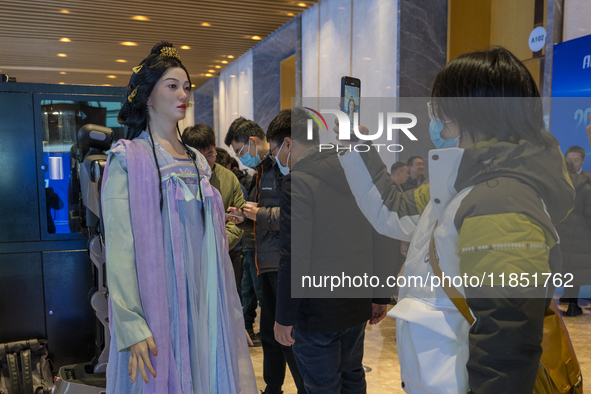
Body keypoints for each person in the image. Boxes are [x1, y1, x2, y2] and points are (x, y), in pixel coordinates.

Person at [336, 47, 575, 393]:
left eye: (439, 109)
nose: (436, 120)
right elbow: (394, 211)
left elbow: (507, 336)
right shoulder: (464, 183)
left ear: (472, 112)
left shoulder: (501, 198)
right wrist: (354, 144)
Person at [102, 42, 256, 393]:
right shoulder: (129, 159)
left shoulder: (197, 161)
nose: (183, 93)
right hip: (159, 303)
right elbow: (120, 249)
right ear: (147, 97)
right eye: (172, 85)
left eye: (186, 86)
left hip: (203, 298)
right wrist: (132, 324)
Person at [270, 108, 390, 393]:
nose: (276, 158)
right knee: (352, 377)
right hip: (356, 301)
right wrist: (381, 293)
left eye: (275, 149)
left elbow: (295, 254)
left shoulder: (297, 182)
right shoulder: (355, 170)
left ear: (288, 143)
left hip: (317, 311)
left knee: (322, 386)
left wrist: (284, 317)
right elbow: (382, 231)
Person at [225, 117, 307, 394]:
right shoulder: (261, 172)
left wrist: (257, 214)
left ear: (253, 141)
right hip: (265, 260)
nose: (241, 157)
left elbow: (293, 216)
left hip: (282, 261)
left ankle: (304, 387)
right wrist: (245, 217)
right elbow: (264, 213)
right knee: (272, 333)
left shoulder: (284, 168)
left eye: (240, 150)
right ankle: (273, 387)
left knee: (287, 334)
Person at [183, 123, 245, 250]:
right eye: (199, 157)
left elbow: (237, 219)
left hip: (222, 250)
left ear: (215, 147)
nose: (205, 162)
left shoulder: (228, 178)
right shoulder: (180, 180)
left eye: (210, 155)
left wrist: (218, 245)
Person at [556, 159, 591, 316]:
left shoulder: (556, 185)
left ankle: (560, 300)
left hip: (560, 232)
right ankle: (572, 305)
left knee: (562, 267)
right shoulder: (585, 186)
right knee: (575, 270)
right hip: (580, 234)